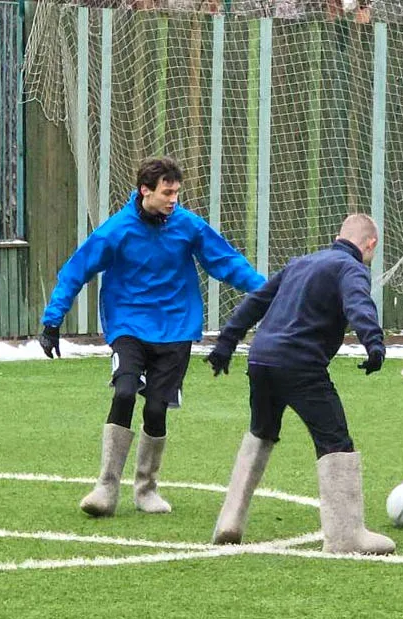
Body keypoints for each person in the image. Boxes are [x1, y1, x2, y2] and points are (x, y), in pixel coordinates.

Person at [39, 156, 265, 517]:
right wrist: (52, 321)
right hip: (128, 325)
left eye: (177, 192)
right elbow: (75, 270)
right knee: (125, 391)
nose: (174, 199)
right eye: (167, 192)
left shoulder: (188, 226)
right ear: (145, 190)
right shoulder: (117, 230)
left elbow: (227, 263)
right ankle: (106, 487)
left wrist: (268, 292)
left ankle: (146, 488)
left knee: (157, 407)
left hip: (176, 328)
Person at [205, 213, 395, 555]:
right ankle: (346, 535)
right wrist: (374, 343)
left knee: (261, 431)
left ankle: (229, 521)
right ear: (371, 245)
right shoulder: (351, 268)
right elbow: (358, 304)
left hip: (261, 359)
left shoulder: (301, 263)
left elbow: (256, 301)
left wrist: (225, 343)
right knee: (334, 438)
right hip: (300, 364)